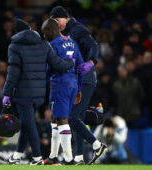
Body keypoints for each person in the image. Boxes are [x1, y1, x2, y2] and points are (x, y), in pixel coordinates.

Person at [2, 19, 74, 165]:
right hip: (39, 94)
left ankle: (37, 158)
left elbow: (12, 73)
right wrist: (71, 62)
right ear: (29, 29)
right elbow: (58, 65)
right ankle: (17, 155)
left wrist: (7, 93)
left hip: (22, 93)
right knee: (26, 123)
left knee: (29, 124)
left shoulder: (14, 47)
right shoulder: (43, 44)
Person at [49, 6, 107, 164]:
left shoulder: (77, 28)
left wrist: (92, 62)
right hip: (75, 79)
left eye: (57, 20)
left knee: (72, 118)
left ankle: (97, 145)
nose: (56, 23)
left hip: (85, 77)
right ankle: (79, 157)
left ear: (65, 18)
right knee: (77, 118)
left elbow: (94, 45)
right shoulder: (63, 34)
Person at [41, 18, 84, 165]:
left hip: (59, 84)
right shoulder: (72, 42)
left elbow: (49, 68)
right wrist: (79, 88)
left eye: (44, 32)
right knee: (55, 118)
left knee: (62, 120)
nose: (44, 36)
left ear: (50, 31)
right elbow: (80, 66)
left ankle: (68, 159)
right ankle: (53, 155)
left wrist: (41, 82)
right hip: (72, 84)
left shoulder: (52, 45)